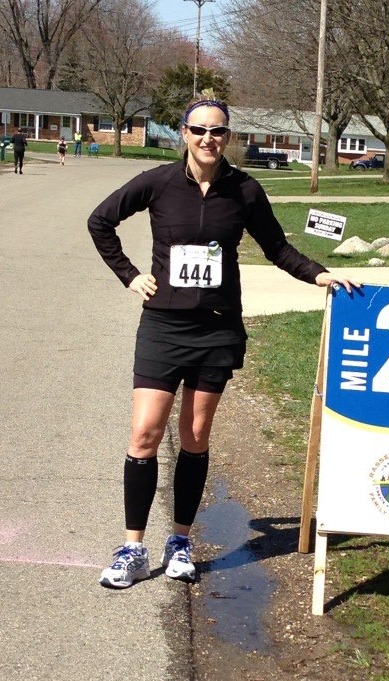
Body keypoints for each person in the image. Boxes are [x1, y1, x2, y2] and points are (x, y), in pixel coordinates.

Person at [88, 96, 360, 589]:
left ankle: (179, 542)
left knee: (195, 436)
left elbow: (276, 247)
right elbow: (100, 221)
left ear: (227, 137)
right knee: (145, 434)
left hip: (216, 330)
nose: (208, 139)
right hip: (164, 327)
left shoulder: (245, 190)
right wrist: (130, 275)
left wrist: (320, 274)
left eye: (217, 131)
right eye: (199, 130)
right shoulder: (158, 182)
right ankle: (132, 548)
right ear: (183, 133)